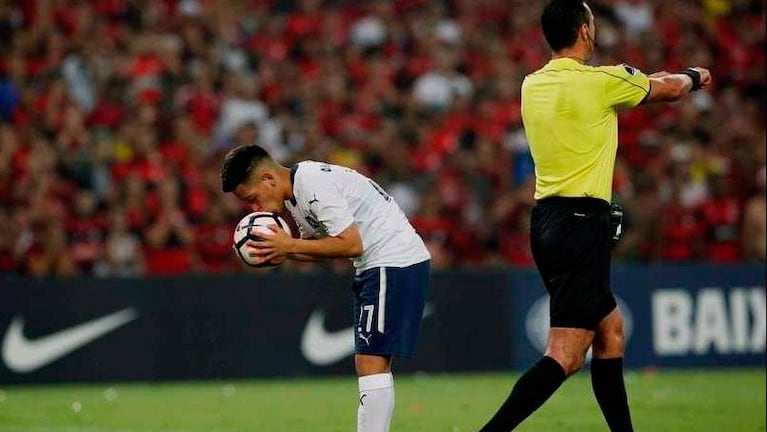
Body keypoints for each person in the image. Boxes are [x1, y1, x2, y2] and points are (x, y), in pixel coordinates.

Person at [478, 1, 712, 431]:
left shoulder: (532, 84)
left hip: (546, 222)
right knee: (565, 355)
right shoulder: (603, 82)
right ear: (585, 31)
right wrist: (695, 76)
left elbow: (636, 81)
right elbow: (672, 89)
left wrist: (651, 77)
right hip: (582, 224)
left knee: (610, 332)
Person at [219, 145, 431, 432]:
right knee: (370, 362)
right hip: (380, 264)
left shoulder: (313, 184)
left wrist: (289, 245)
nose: (254, 209)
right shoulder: (296, 195)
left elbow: (351, 244)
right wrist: (281, 251)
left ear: (269, 178)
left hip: (392, 261)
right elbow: (324, 248)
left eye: (253, 199)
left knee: (371, 362)